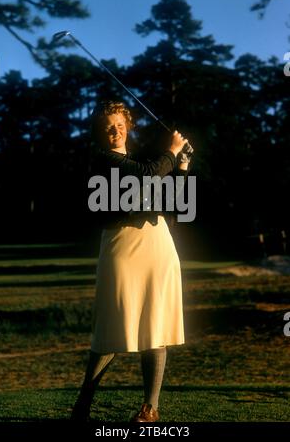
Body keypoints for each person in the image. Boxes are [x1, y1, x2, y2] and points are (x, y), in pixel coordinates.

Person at [71, 100, 193, 423]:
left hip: (157, 247)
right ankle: (83, 402)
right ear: (101, 132)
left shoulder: (138, 164)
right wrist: (172, 149)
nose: (115, 130)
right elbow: (149, 174)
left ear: (128, 126)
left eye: (120, 124)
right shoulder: (104, 160)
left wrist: (181, 167)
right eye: (108, 126)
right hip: (121, 250)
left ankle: (150, 409)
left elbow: (177, 208)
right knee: (111, 328)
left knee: (156, 328)